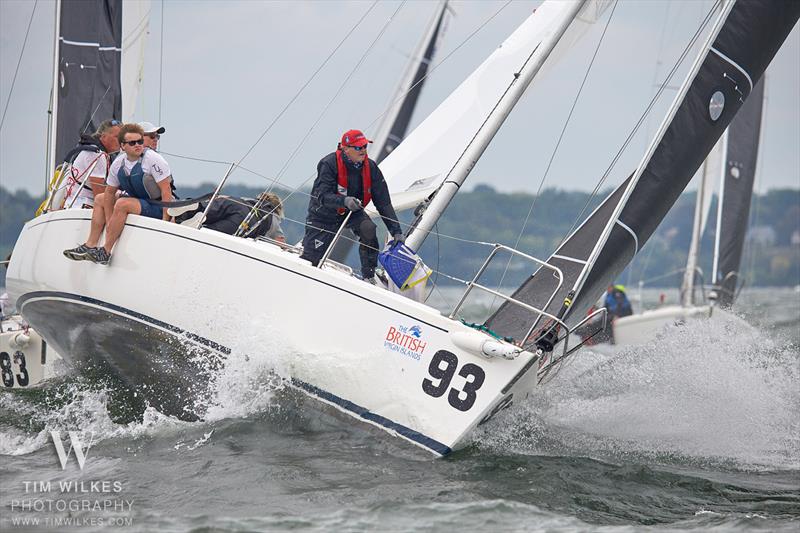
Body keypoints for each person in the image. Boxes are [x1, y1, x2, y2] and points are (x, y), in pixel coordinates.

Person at [300, 130, 404, 282]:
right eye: (358, 147)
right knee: (311, 260)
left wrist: (397, 231)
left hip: (352, 212)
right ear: (345, 149)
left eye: (364, 146)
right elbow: (321, 196)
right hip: (324, 214)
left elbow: (384, 203)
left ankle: (368, 277)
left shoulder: (371, 168)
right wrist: (344, 201)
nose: (363, 150)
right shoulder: (329, 164)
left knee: (368, 229)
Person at [62, 123, 174, 265]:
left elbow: (166, 190)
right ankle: (90, 245)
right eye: (132, 143)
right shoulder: (119, 163)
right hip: (138, 202)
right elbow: (109, 192)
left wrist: (166, 220)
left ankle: (105, 251)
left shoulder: (153, 159)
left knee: (122, 203)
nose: (138, 145)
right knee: (100, 199)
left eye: (140, 141)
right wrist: (110, 221)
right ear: (123, 146)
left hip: (157, 205)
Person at [168, 192, 286, 243]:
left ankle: (195, 206)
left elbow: (224, 198)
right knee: (209, 231)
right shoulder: (273, 217)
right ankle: (199, 226)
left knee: (208, 210)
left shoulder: (250, 200)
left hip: (233, 202)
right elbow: (280, 242)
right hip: (246, 220)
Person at [62, 119, 121, 209]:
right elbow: (99, 195)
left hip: (71, 204)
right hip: (84, 206)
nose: (121, 141)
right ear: (103, 137)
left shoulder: (87, 149)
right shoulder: (97, 155)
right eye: (117, 137)